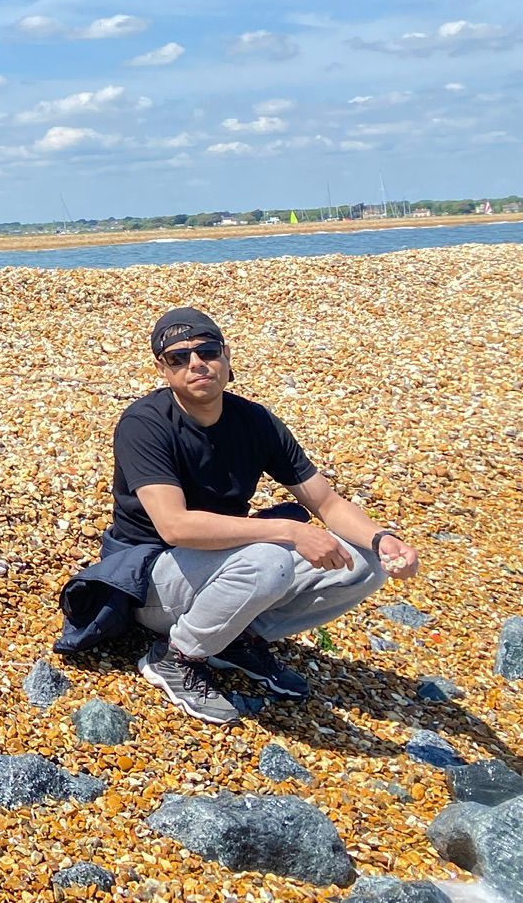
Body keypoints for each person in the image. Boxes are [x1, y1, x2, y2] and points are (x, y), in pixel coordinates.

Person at [55, 307, 421, 724]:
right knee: (270, 558)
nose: (196, 364)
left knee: (364, 564)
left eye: (207, 351)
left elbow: (327, 503)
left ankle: (230, 637)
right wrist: (286, 531)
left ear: (226, 356)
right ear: (163, 368)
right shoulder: (145, 424)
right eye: (178, 358)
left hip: (222, 564)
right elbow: (175, 527)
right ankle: (176, 657)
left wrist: (383, 540)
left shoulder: (255, 420)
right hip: (151, 578)